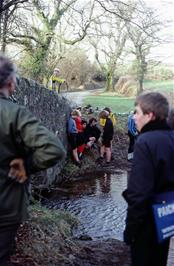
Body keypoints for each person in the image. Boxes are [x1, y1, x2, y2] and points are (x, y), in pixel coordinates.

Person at [0, 54, 66, 265]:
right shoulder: (14, 113)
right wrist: (26, 166)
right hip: (5, 204)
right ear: (11, 83)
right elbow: (53, 149)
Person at [122, 92, 174, 266]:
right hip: (166, 217)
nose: (134, 117)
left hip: (147, 222)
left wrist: (131, 229)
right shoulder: (170, 137)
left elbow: (139, 192)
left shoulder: (145, 141)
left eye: (137, 112)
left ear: (149, 115)